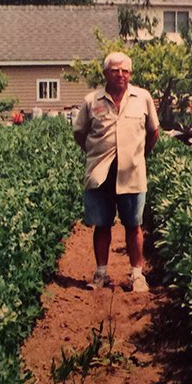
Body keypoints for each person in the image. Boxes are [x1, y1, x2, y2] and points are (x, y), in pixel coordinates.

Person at [72, 51, 160, 292]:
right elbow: (79, 133)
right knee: (102, 225)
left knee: (134, 225)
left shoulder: (142, 98)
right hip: (101, 174)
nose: (120, 75)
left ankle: (137, 275)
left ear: (130, 74)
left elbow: (153, 131)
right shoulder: (92, 101)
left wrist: (139, 157)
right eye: (115, 70)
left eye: (125, 71)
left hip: (131, 173)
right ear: (105, 73)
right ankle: (101, 274)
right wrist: (94, 154)